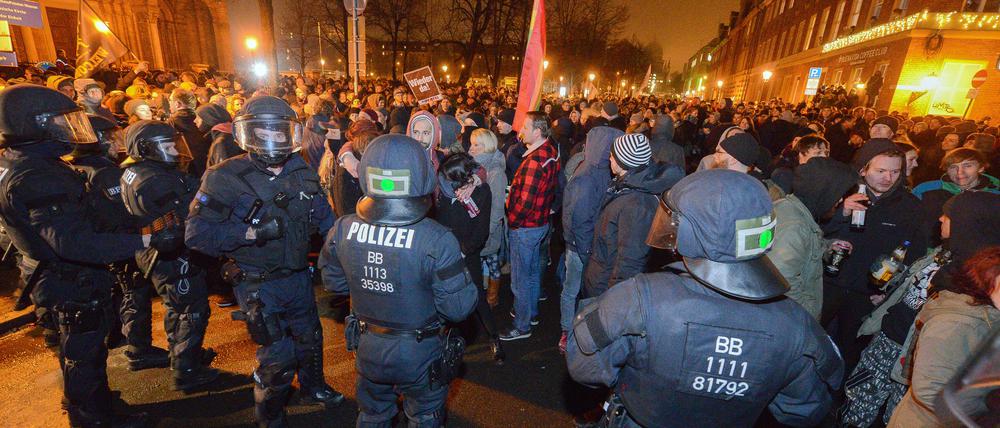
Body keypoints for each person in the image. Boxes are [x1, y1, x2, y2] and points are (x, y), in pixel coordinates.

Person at [566, 169, 844, 427]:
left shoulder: (639, 298)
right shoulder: (797, 325)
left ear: (691, 231)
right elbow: (804, 410)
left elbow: (585, 366)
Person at [0, 85, 161, 427]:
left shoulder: (22, 163)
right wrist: (143, 240)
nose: (68, 128)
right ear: (35, 124)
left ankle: (88, 402)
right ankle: (94, 417)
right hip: (69, 279)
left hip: (49, 274)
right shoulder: (38, 176)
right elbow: (72, 242)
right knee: (83, 355)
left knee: (74, 352)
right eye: (60, 121)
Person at [185, 95, 344, 426]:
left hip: (299, 276)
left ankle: (314, 388)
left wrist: (343, 248)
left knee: (311, 339)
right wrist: (251, 234)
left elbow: (325, 218)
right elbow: (196, 236)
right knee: (278, 358)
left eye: (280, 133)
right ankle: (270, 417)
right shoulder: (224, 177)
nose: (273, 140)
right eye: (264, 133)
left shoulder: (301, 170)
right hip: (258, 282)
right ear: (249, 135)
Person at [318, 134, 478, 427]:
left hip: (368, 347)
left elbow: (335, 284)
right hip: (421, 351)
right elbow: (458, 308)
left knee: (373, 416)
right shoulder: (437, 238)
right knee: (425, 418)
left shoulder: (342, 228)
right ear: (422, 177)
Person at [839, 191, 1000, 427]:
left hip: (913, 355)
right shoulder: (944, 253)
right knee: (858, 402)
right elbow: (916, 286)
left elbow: (934, 395)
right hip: (888, 340)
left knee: (895, 414)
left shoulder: (980, 281)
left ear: (968, 223)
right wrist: (891, 293)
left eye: (949, 215)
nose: (941, 219)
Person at [120, 120, 220, 390]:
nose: (175, 152)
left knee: (177, 307)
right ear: (146, 148)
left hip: (155, 252)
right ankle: (186, 370)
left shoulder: (135, 171)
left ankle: (184, 354)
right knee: (190, 311)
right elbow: (189, 213)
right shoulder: (156, 181)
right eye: (167, 146)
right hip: (172, 255)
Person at [823, 139, 929, 375]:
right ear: (863, 169)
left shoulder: (911, 207)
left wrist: (888, 292)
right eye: (880, 171)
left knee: (850, 351)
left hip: (868, 294)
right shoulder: (840, 194)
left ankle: (840, 401)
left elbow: (914, 255)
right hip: (827, 284)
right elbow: (815, 233)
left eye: (894, 172)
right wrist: (840, 213)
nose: (887, 178)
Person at [888, 246, 1000, 427]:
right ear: (986, 281)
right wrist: (989, 411)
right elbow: (930, 391)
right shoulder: (957, 321)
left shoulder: (990, 317)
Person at [582, 133, 684, 298]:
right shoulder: (628, 183)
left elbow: (630, 262)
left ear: (624, 162)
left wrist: (614, 300)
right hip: (601, 272)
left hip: (605, 286)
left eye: (613, 155)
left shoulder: (637, 204)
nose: (609, 159)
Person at [433, 152, 504, 363]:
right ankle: (442, 340)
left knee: (477, 296)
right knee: (443, 293)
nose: (446, 183)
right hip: (444, 251)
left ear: (463, 179)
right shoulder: (443, 191)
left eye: (450, 180)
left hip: (467, 252)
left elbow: (481, 231)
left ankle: (494, 337)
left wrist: (464, 251)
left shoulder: (481, 192)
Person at [559, 126, 624, 353]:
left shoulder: (599, 170)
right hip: (581, 247)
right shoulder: (588, 177)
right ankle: (567, 332)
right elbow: (581, 220)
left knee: (580, 291)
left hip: (588, 245)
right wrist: (587, 252)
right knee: (573, 290)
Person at [771, 157, 858, 319]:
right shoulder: (795, 226)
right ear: (822, 192)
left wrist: (827, 246)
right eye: (837, 194)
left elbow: (800, 247)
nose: (839, 200)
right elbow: (783, 283)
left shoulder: (792, 208)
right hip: (792, 319)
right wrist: (809, 315)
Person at [501, 111, 561, 341]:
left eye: (525, 126)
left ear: (537, 131)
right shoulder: (550, 152)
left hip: (526, 227)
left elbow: (524, 203)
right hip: (541, 222)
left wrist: (513, 221)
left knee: (520, 280)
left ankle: (522, 325)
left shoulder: (535, 161)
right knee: (533, 272)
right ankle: (531, 313)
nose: (520, 130)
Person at [913, 148, 999, 244]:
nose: (959, 172)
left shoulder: (994, 196)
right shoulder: (926, 189)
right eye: (953, 167)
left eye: (967, 166)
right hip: (926, 253)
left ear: (981, 167)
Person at [468, 129, 506, 308]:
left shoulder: (496, 172)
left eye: (476, 145)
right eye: (471, 143)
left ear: (487, 147)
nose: (471, 148)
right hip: (476, 226)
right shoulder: (475, 167)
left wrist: (487, 232)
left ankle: (492, 297)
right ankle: (480, 295)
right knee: (480, 263)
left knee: (492, 263)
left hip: (488, 229)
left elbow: (498, 208)